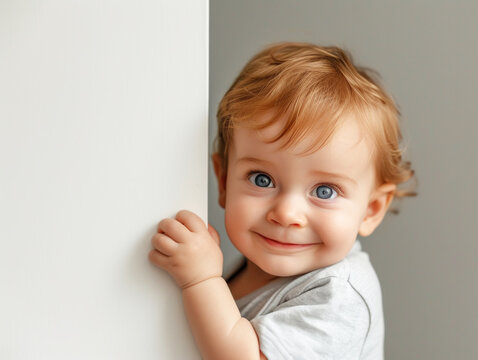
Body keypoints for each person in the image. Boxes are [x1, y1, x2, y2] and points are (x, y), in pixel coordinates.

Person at [149, 42, 416, 360]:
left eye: (325, 191)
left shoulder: (339, 295)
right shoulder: (253, 267)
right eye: (262, 179)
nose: (287, 213)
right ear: (223, 181)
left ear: (371, 210)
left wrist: (201, 279)